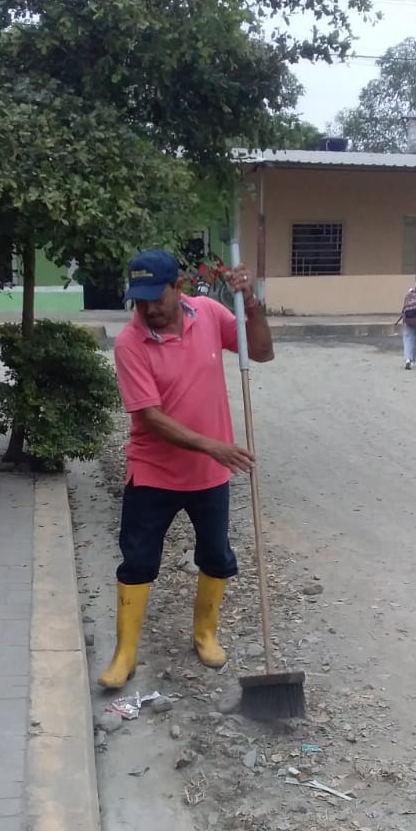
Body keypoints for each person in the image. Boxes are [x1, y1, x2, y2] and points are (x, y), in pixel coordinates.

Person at [97, 248, 274, 690]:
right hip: (152, 473)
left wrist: (251, 303)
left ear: (177, 287)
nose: (148, 309)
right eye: (139, 301)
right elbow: (150, 417)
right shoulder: (130, 343)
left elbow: (262, 352)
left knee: (216, 555)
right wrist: (212, 445)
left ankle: (205, 634)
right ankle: (125, 653)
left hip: (208, 476)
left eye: (156, 298)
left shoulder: (210, 313)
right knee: (138, 561)